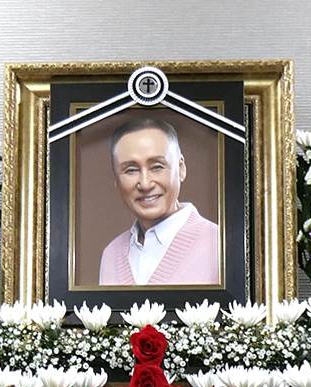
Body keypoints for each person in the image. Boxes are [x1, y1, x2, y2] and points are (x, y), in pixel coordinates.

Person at [94, 115, 222, 287]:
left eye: (157, 167)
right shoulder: (111, 255)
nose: (145, 184)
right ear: (116, 179)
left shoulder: (219, 246)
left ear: (181, 168)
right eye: (131, 170)